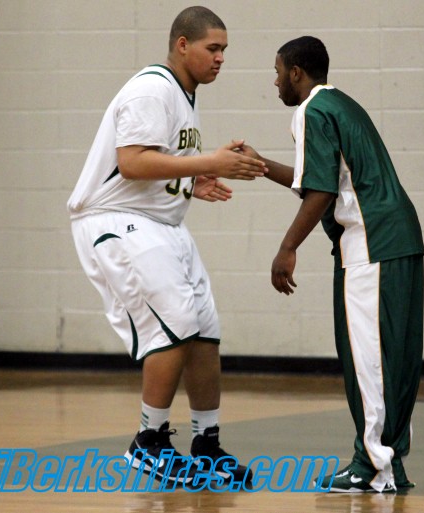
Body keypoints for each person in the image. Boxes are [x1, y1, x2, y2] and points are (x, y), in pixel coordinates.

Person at [67, 6, 266, 487]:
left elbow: (156, 166)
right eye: (212, 48)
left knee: (204, 331)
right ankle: (148, 441)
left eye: (224, 50)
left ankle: (206, 446)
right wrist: (207, 161)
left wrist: (191, 182)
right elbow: (132, 162)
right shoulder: (152, 88)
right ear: (182, 45)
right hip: (118, 221)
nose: (221, 58)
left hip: (161, 222)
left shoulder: (183, 95)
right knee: (173, 324)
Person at [241, 36, 424, 493]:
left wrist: (287, 247)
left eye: (278, 72)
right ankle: (389, 464)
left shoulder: (310, 111)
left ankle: (371, 466)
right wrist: (262, 165)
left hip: (370, 243)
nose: (275, 82)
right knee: (394, 359)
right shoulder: (341, 104)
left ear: (296, 73)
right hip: (399, 238)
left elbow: (321, 191)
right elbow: (323, 179)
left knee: (368, 360)